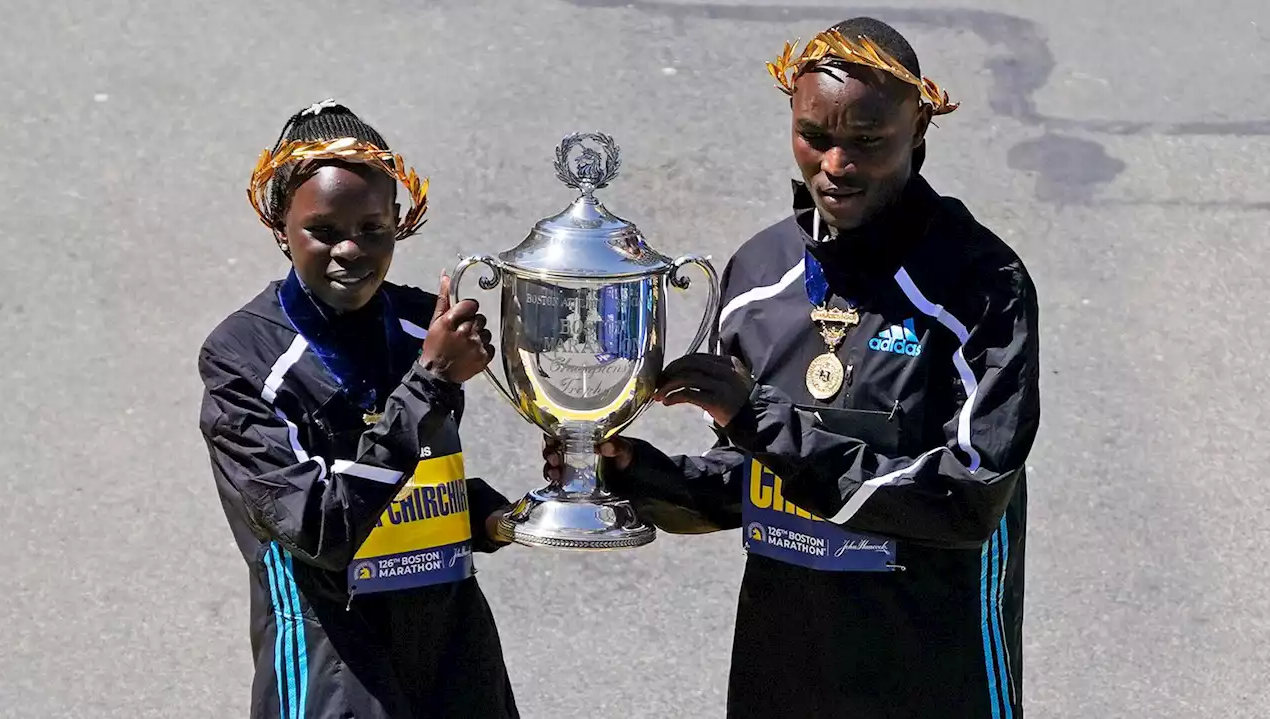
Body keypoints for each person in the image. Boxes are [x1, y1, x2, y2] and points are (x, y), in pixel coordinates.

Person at [545, 17, 1040, 719]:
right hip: (782, 672)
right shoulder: (756, 277)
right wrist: (630, 470)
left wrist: (764, 420)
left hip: (930, 671)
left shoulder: (979, 284)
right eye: (816, 136)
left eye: (867, 141)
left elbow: (968, 499)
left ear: (919, 127)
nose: (836, 164)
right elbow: (756, 482)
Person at [198, 100, 519, 719]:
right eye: (323, 230)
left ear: (400, 221)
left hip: (453, 646)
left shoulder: (423, 324)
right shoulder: (243, 356)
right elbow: (320, 528)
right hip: (333, 655)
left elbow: (414, 483)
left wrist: (494, 517)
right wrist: (429, 382)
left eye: (373, 229)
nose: (351, 249)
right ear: (278, 225)